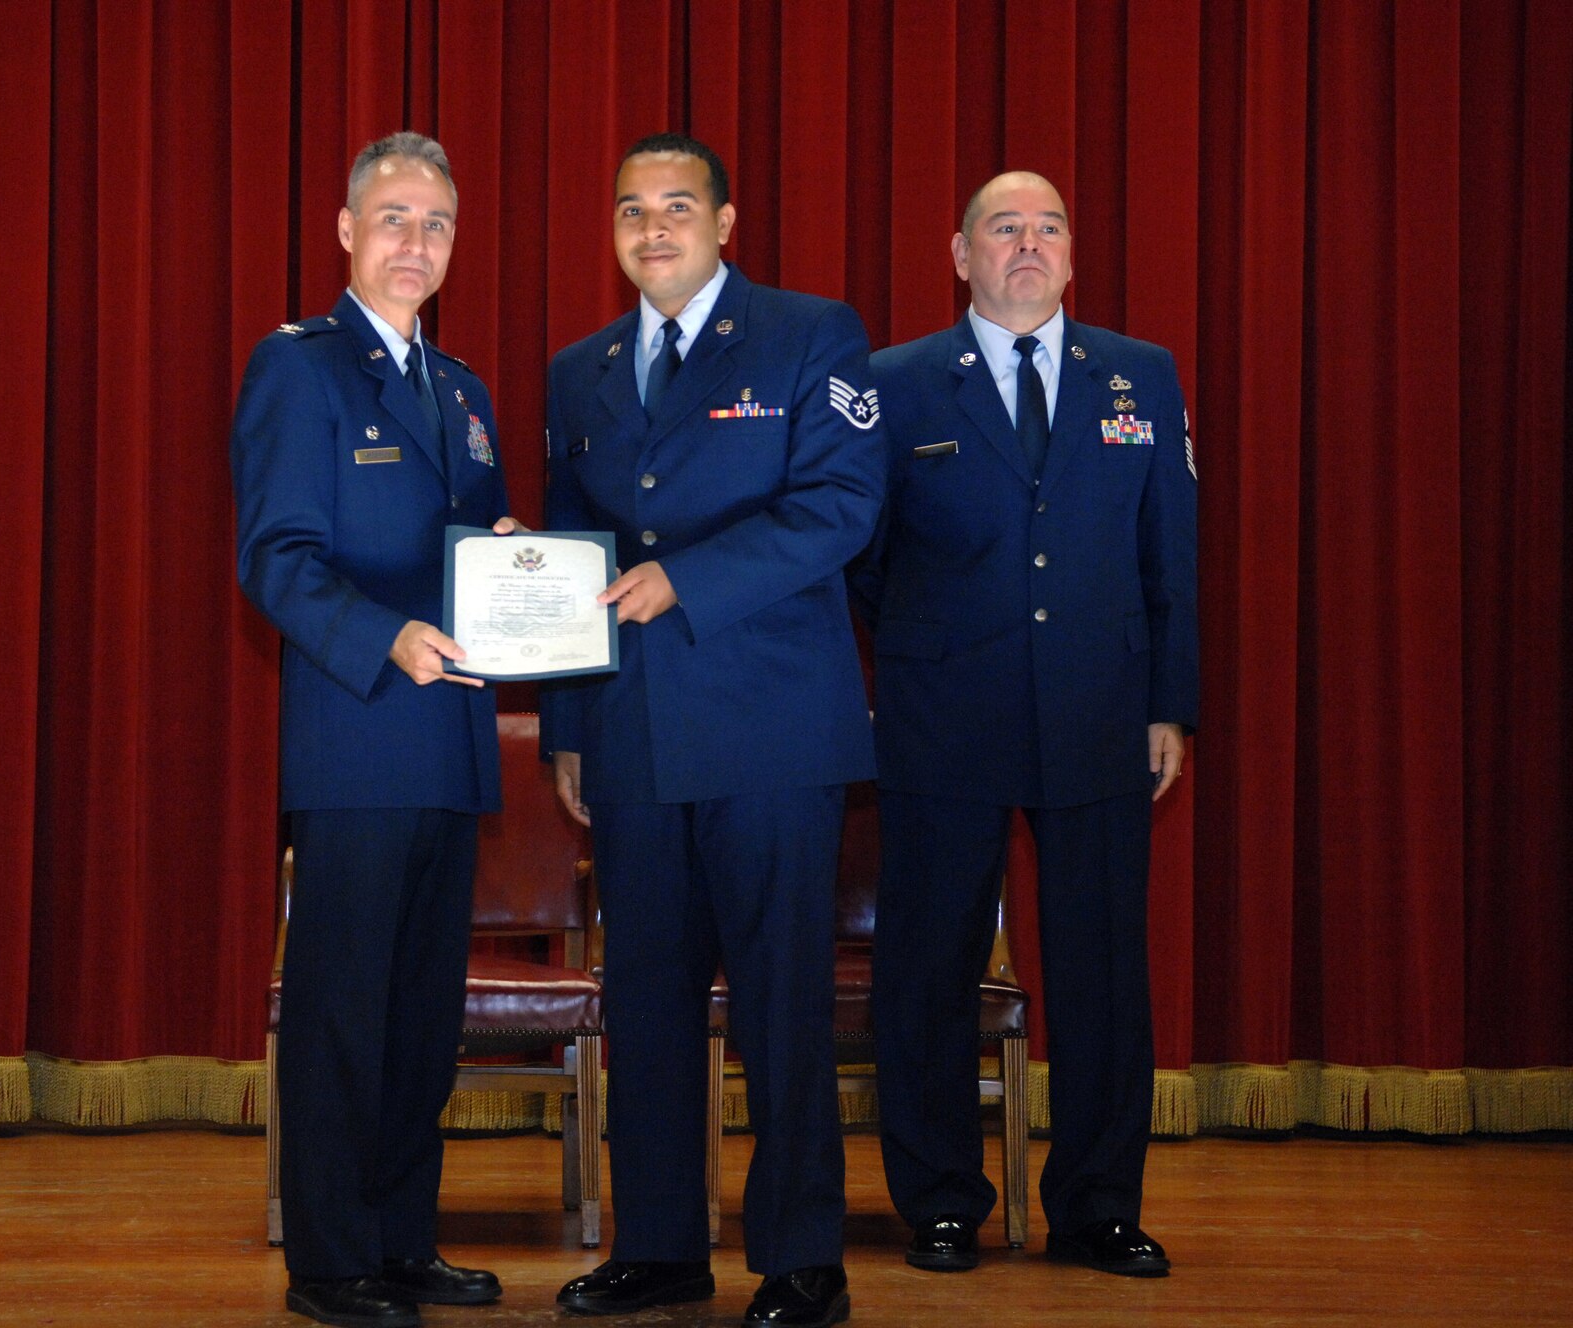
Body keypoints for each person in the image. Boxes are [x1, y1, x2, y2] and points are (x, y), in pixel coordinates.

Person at [544, 133, 885, 1328]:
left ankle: (800, 1259)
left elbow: (841, 506)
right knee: (644, 999)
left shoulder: (810, 334)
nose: (653, 229)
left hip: (771, 731)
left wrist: (687, 578)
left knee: (782, 1001)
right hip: (632, 733)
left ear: (726, 223)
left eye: (677, 206)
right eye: (631, 208)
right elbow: (569, 562)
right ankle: (659, 1246)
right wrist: (568, 730)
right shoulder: (576, 370)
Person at [860, 170, 1198, 1278]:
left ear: (1069, 253)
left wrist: (1168, 703)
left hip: (1099, 711)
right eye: (1001, 228)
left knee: (1101, 970)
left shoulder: (1138, 375)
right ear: (959, 256)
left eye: (1047, 226)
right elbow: (860, 565)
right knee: (927, 968)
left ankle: (1097, 1203)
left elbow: (1170, 558)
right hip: (937, 716)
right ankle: (942, 1198)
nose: (1026, 244)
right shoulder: (893, 383)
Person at [229, 131, 519, 1328]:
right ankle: (331, 1260)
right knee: (345, 1011)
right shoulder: (298, 368)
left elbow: (482, 550)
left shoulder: (463, 391)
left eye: (436, 224)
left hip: (448, 750)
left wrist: (518, 574)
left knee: (418, 1018)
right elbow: (275, 560)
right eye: (393, 218)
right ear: (346, 232)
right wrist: (383, 637)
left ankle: (404, 1240)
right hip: (356, 740)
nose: (415, 242)